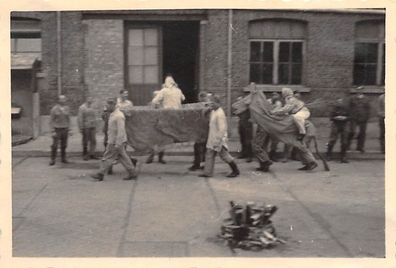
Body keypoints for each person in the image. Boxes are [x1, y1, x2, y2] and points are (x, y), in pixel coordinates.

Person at [91, 98, 139, 181]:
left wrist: (118, 143)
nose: (106, 107)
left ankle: (100, 173)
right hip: (114, 141)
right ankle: (133, 173)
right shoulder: (113, 114)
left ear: (113, 105)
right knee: (123, 158)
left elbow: (121, 131)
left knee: (107, 157)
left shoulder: (119, 116)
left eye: (108, 105)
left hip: (115, 142)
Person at [199, 95, 240, 178]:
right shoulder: (214, 111)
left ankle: (236, 170)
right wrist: (206, 110)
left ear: (218, 103)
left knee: (224, 156)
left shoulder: (220, 113)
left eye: (213, 103)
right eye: (210, 103)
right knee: (209, 155)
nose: (211, 105)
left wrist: (217, 141)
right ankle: (207, 173)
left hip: (219, 138)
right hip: (212, 137)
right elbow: (205, 117)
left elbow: (222, 129)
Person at [189, 91, 210, 171]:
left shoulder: (207, 105)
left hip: (204, 131)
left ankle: (198, 165)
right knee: (201, 148)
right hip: (203, 130)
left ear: (203, 98)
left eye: (201, 98)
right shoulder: (206, 105)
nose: (200, 100)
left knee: (200, 148)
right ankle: (200, 165)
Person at [326, 97, 350, 163]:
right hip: (336, 124)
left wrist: (345, 117)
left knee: (344, 141)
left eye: (341, 101)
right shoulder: (334, 109)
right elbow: (330, 117)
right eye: (339, 101)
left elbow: (350, 116)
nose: (340, 103)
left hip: (344, 125)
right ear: (336, 102)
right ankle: (328, 155)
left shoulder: (346, 109)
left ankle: (343, 157)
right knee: (332, 140)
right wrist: (336, 117)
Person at [347, 86, 370, 153]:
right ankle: (347, 146)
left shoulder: (366, 99)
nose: (359, 91)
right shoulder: (352, 98)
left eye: (361, 90)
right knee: (352, 131)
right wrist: (349, 116)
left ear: (363, 91)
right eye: (358, 90)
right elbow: (349, 108)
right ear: (356, 91)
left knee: (362, 133)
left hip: (363, 118)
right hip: (353, 118)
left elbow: (368, 109)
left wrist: (367, 117)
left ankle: (360, 147)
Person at [49, 95, 71, 165]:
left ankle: (63, 158)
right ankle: (52, 159)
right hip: (57, 129)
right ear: (59, 101)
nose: (63, 101)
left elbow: (68, 119)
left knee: (64, 145)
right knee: (55, 145)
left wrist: (70, 129)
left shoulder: (67, 108)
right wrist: (52, 131)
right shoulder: (54, 109)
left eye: (64, 99)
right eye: (61, 99)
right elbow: (51, 120)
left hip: (65, 129)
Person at [233, 88, 253, 163]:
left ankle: (249, 156)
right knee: (242, 140)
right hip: (241, 125)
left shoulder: (248, 108)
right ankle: (243, 153)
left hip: (247, 125)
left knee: (248, 141)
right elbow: (235, 111)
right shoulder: (240, 109)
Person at [146, 90, 166, 164]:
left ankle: (161, 158)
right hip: (152, 126)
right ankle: (150, 157)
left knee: (162, 143)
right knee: (152, 143)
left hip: (161, 127)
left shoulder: (163, 105)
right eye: (155, 96)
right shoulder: (150, 105)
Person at [77, 96, 98, 161]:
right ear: (86, 99)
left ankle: (92, 154)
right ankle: (85, 154)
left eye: (91, 99)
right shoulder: (82, 107)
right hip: (86, 126)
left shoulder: (93, 107)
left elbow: (95, 116)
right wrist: (81, 127)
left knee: (93, 140)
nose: (90, 100)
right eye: (89, 99)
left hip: (93, 126)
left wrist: (96, 125)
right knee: (85, 141)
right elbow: (80, 118)